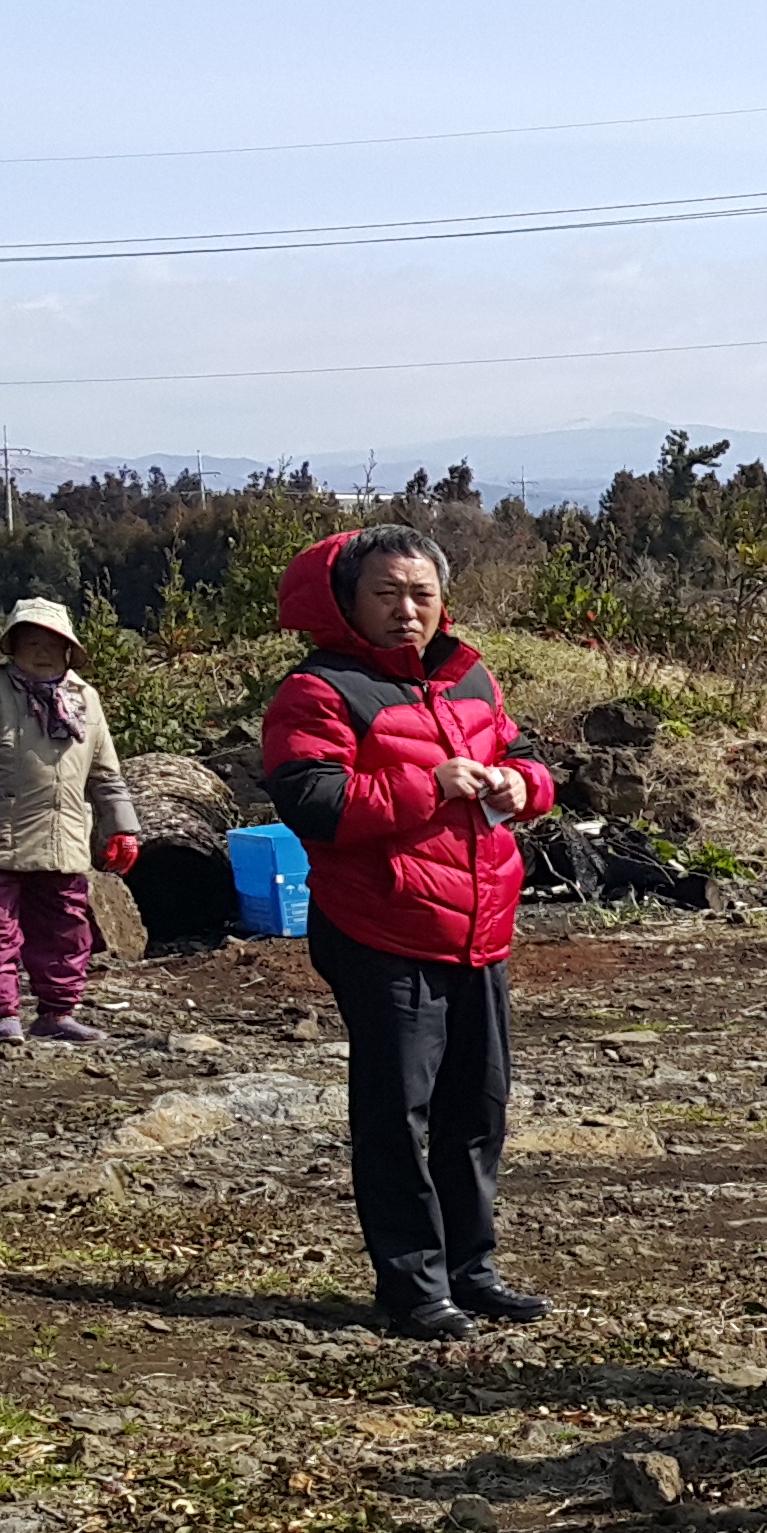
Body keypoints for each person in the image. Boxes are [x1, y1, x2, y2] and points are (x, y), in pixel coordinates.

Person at [260, 525, 559, 1341]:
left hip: (479, 927)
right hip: (382, 927)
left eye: (421, 594)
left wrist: (518, 783)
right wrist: (428, 784)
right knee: (399, 1118)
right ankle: (412, 1287)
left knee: (478, 1111)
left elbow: (530, 760)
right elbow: (311, 801)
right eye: (387, 594)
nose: (407, 611)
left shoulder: (469, 678)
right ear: (348, 601)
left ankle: (472, 1271)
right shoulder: (317, 692)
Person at [0, 595, 140, 1046]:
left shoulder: (86, 699)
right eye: (29, 642)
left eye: (51, 642)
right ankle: (2, 1017)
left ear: (68, 649)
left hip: (62, 844)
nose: (40, 651)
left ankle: (58, 1014)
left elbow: (106, 774)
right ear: (12, 647)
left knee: (66, 931)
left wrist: (123, 827)